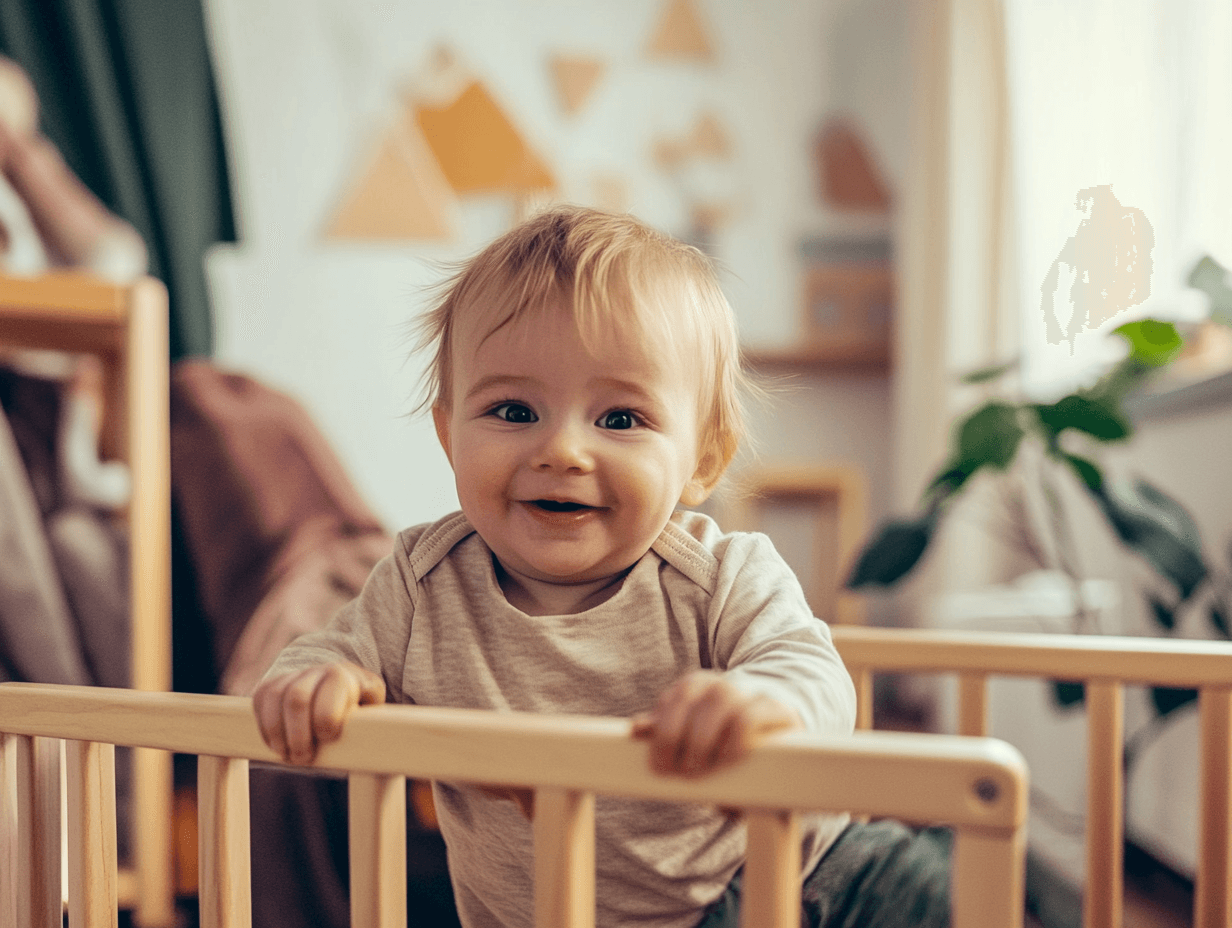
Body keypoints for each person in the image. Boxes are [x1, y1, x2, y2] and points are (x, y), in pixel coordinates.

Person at [253, 205, 949, 928]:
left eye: (620, 419)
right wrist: (313, 683)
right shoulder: (421, 583)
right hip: (555, 914)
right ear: (447, 430)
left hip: (788, 882)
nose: (562, 451)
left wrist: (767, 700)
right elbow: (314, 659)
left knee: (947, 893)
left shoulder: (719, 576)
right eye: (513, 410)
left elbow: (816, 672)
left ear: (702, 460)